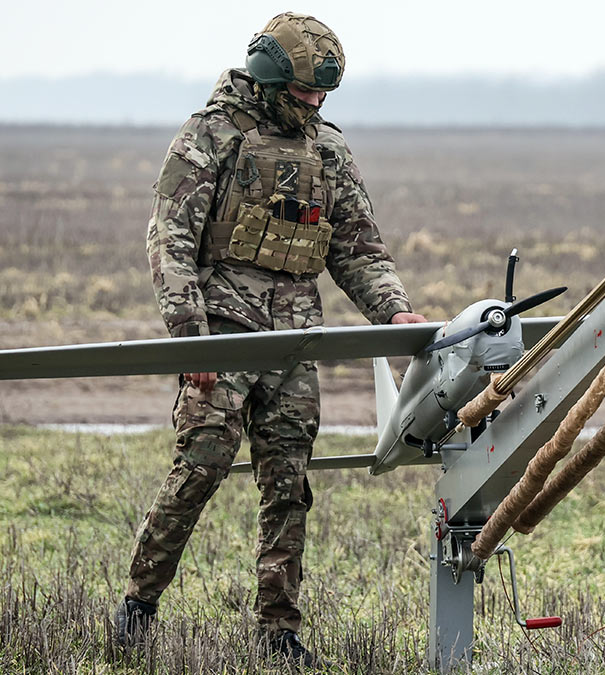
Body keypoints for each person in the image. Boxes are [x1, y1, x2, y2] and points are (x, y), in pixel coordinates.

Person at [114, 12, 426, 667]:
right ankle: (138, 607)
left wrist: (395, 313)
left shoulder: (328, 149)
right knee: (201, 466)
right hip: (222, 335)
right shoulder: (210, 136)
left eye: (323, 94)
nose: (315, 104)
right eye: (305, 91)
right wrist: (190, 339)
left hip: (295, 341)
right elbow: (170, 240)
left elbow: (358, 245)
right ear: (269, 79)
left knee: (288, 483)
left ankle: (279, 631)